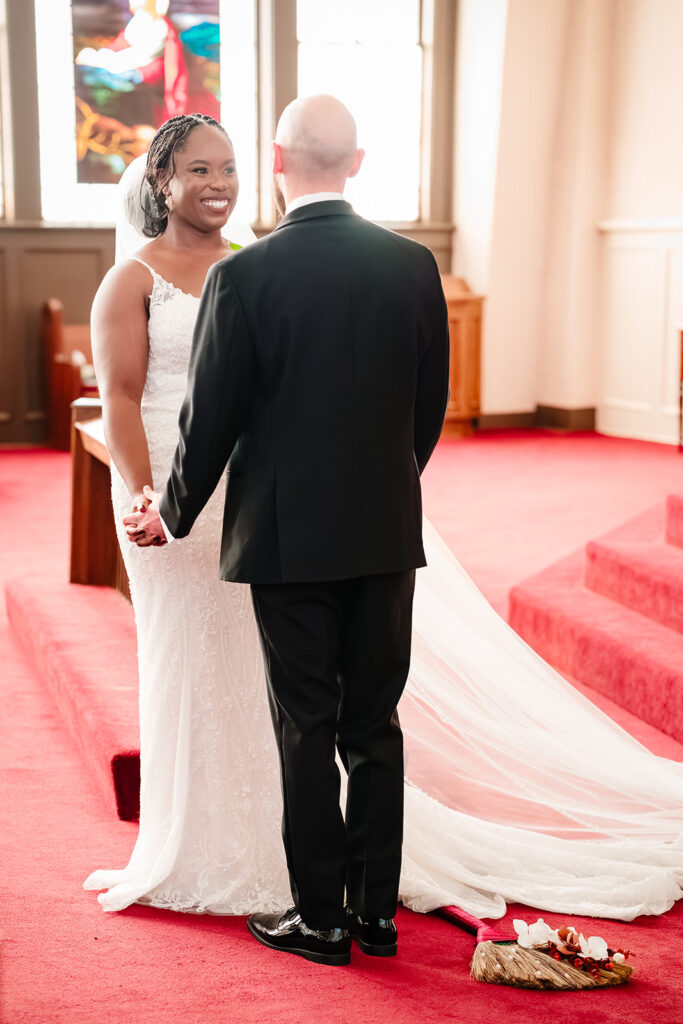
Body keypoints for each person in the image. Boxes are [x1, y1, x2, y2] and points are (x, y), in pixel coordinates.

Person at [86, 106, 683, 962]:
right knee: (374, 727)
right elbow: (428, 409)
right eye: (201, 170)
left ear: (279, 160)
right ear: (357, 160)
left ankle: (319, 919)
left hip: (280, 531)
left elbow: (212, 420)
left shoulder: (246, 277)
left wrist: (170, 508)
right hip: (381, 529)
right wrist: (381, 491)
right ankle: (374, 914)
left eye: (231, 167)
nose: (218, 184)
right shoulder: (411, 263)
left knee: (303, 724)